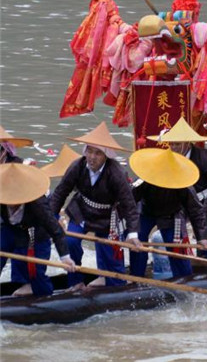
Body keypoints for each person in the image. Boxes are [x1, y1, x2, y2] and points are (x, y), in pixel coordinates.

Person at [50, 122, 140, 289]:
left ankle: (115, 285)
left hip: (107, 217)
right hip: (81, 211)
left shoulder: (116, 173)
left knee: (111, 253)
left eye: (98, 153)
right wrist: (51, 218)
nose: (92, 157)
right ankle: (75, 282)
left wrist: (133, 233)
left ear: (106, 155)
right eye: (89, 151)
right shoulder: (77, 166)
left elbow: (129, 204)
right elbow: (60, 193)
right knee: (70, 242)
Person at [1, 129, 75, 296]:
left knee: (35, 274)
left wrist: (64, 256)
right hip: (9, 228)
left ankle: (44, 296)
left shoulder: (34, 199)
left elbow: (54, 228)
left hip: (35, 233)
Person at [146, 118, 207, 259]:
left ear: (187, 143)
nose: (174, 148)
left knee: (204, 232)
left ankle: (206, 264)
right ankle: (182, 259)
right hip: (186, 202)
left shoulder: (206, 158)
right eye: (171, 144)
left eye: (177, 144)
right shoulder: (169, 158)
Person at [129, 148, 207, 279]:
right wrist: (128, 231)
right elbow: (128, 200)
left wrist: (202, 237)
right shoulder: (144, 178)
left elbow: (196, 210)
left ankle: (185, 278)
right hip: (147, 212)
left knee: (177, 247)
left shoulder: (182, 182)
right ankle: (136, 276)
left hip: (171, 215)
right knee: (137, 240)